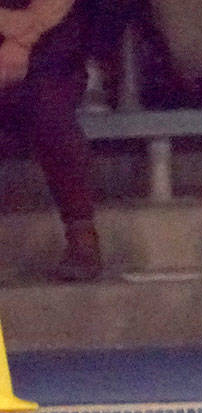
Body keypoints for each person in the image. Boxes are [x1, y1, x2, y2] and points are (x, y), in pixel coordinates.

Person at [0, 0, 102, 280]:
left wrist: (20, 42)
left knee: (50, 110)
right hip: (16, 26)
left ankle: (81, 234)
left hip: (46, 39)